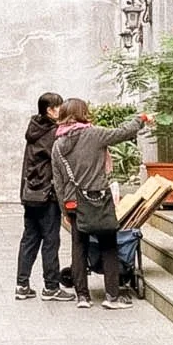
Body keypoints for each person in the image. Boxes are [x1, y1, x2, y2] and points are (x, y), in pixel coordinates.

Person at [51, 98, 145, 308]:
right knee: (108, 245)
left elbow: (58, 181)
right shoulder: (94, 134)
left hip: (72, 202)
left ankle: (82, 297)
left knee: (79, 247)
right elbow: (122, 133)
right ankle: (112, 296)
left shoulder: (58, 145)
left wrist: (64, 210)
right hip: (98, 200)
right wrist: (141, 119)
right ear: (83, 113)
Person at [17, 91, 73, 300]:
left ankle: (22, 285)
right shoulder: (53, 133)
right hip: (47, 194)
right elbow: (60, 161)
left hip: (30, 193)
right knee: (51, 241)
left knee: (29, 239)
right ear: (50, 110)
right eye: (60, 106)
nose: (63, 110)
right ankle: (51, 287)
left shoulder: (34, 128)